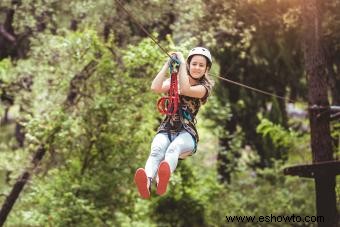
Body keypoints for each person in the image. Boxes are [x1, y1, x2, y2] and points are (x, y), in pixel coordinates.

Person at [134, 47, 214, 199]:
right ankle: (146, 182)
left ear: (207, 69)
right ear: (190, 65)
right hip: (167, 128)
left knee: (173, 149)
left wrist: (182, 63)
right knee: (156, 151)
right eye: (194, 64)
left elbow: (185, 89)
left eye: (201, 65)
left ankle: (161, 180)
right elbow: (155, 87)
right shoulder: (175, 79)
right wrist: (167, 64)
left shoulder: (204, 88)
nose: (197, 67)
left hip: (186, 133)